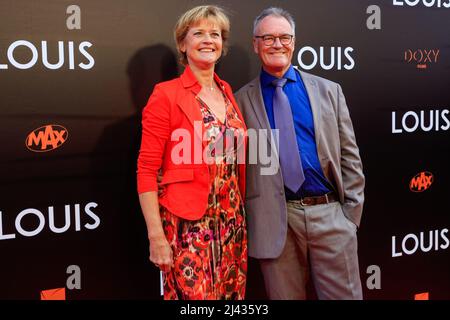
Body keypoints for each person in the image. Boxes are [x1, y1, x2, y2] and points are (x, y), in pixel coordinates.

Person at [235, 7, 365, 300]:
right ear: (255, 44)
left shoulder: (329, 91)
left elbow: (349, 156)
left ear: (294, 41)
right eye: (267, 38)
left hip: (331, 215)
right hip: (276, 222)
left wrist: (349, 217)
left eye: (284, 37)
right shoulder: (240, 100)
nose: (276, 44)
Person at [137, 5, 248, 300]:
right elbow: (147, 169)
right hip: (188, 226)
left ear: (222, 45)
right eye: (198, 33)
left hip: (232, 222)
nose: (208, 39)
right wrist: (156, 236)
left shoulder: (227, 92)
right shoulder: (167, 94)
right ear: (182, 44)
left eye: (215, 34)